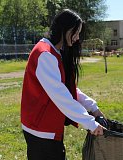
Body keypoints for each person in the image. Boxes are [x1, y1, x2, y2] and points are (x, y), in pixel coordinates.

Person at [21, 9, 105, 160]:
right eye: (76, 32)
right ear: (65, 29)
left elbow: (67, 89)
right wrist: (90, 123)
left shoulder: (55, 52)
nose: (78, 38)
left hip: (46, 129)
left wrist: (93, 107)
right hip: (41, 131)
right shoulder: (45, 54)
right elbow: (61, 96)